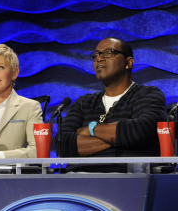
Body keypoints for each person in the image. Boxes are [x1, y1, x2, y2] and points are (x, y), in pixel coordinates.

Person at [55, 37, 167, 172]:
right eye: (96, 55)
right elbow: (63, 145)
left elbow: (140, 131)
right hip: (79, 180)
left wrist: (92, 129)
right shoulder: (84, 103)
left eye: (108, 53)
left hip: (128, 179)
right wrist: (121, 139)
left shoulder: (148, 95)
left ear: (129, 62)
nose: (99, 59)